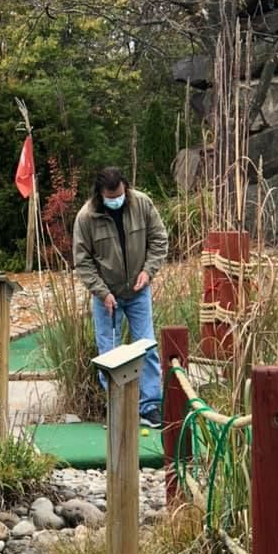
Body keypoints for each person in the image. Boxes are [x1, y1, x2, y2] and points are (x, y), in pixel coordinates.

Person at [73, 166, 168, 429]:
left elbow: (159, 239)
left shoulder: (142, 204)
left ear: (125, 187)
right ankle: (118, 407)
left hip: (138, 291)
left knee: (147, 346)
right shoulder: (86, 217)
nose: (116, 199)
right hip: (107, 295)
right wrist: (101, 292)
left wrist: (148, 272)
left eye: (120, 194)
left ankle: (149, 407)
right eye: (110, 196)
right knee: (109, 353)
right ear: (100, 193)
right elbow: (83, 262)